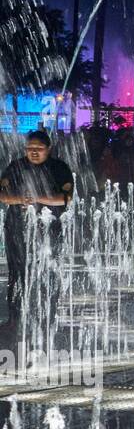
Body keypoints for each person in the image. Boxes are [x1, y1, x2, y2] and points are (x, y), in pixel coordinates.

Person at [0, 130, 74, 320]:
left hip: (50, 227)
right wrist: (18, 199)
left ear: (48, 149)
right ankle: (16, 317)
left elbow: (67, 198)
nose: (33, 152)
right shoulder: (15, 166)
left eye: (39, 149)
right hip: (17, 227)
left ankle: (49, 314)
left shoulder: (59, 168)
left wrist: (39, 198)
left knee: (49, 270)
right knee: (17, 272)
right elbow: (2, 194)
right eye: (30, 148)